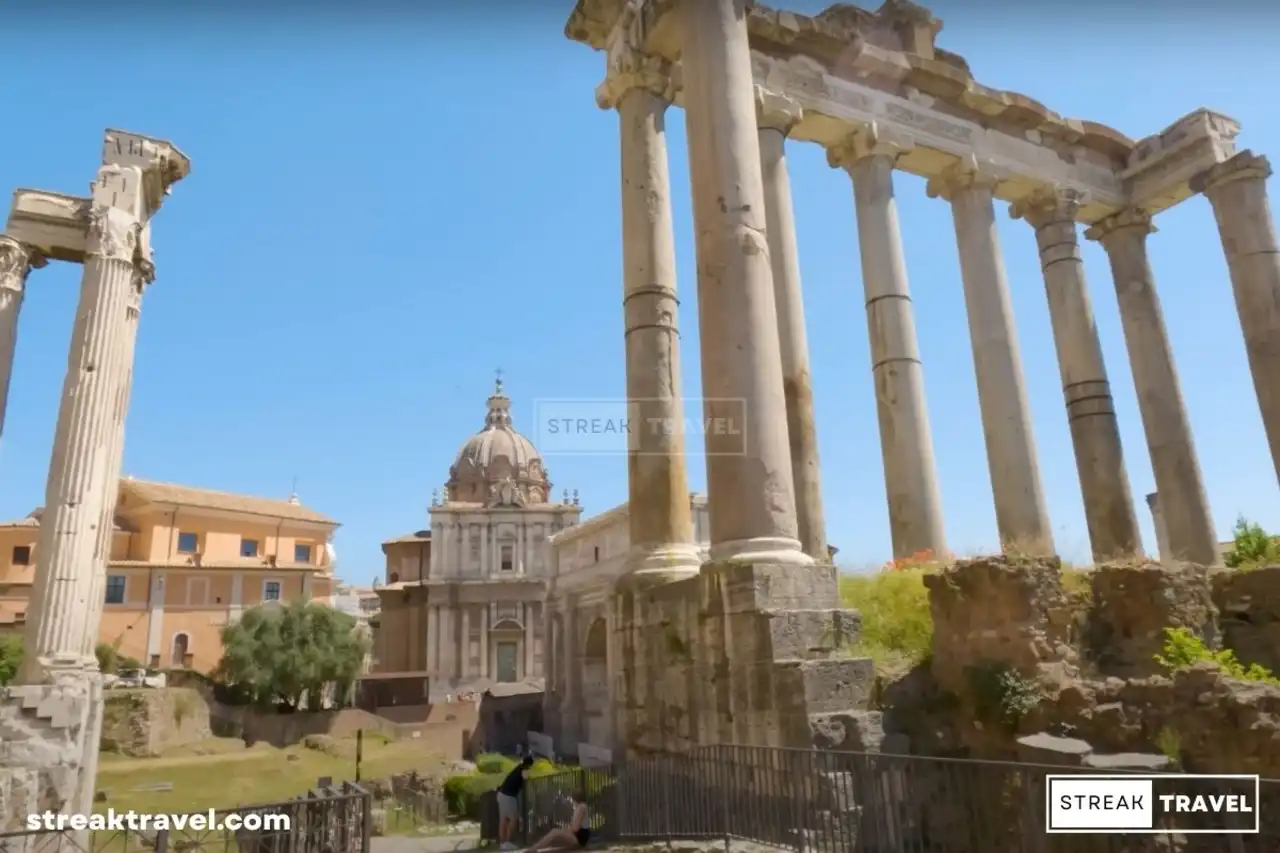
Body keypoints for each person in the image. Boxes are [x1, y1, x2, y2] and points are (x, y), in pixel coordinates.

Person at [526, 794, 591, 851]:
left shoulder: (581, 807)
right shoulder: (580, 807)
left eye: (570, 798)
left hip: (579, 838)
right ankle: (536, 847)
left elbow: (575, 828)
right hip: (579, 836)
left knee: (554, 832)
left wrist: (567, 829)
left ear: (574, 798)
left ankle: (534, 848)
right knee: (555, 835)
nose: (570, 800)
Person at [496, 755, 534, 851]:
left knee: (503, 820)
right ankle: (507, 842)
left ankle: (502, 843)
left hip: (501, 794)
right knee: (513, 819)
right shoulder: (524, 770)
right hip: (509, 796)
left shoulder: (517, 768)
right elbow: (527, 779)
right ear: (529, 765)